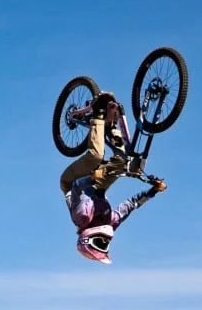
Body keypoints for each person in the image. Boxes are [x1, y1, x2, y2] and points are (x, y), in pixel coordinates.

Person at [58, 92, 165, 264]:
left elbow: (77, 186)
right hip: (97, 185)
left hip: (72, 181)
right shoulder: (110, 222)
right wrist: (153, 191)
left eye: (100, 243)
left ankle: (98, 113)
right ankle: (112, 125)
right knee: (124, 162)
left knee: (96, 156)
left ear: (86, 239)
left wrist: (92, 177)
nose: (106, 241)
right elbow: (131, 205)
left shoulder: (82, 217)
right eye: (106, 245)